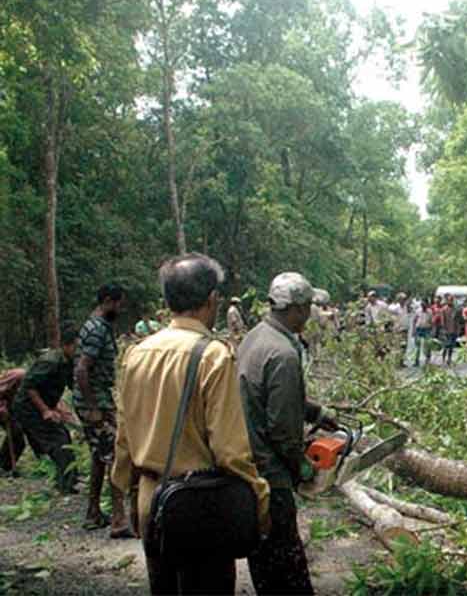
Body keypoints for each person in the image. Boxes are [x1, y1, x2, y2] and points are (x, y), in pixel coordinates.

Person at [112, 253, 271, 595]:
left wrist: (127, 492)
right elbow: (230, 451)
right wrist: (260, 499)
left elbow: (124, 436)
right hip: (202, 509)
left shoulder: (136, 353)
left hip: (152, 501)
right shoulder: (213, 355)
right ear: (212, 299)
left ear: (167, 300)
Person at [238, 272, 338, 595]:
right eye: (308, 306)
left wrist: (316, 413)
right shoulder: (283, 353)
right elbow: (282, 430)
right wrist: (303, 468)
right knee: (287, 567)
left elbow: (270, 397)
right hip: (271, 474)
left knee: (264, 560)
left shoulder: (255, 336)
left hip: (248, 465)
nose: (310, 314)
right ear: (296, 308)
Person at [73, 283, 132, 537]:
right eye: (118, 303)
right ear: (108, 301)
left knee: (99, 456)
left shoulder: (96, 326)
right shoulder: (97, 330)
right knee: (115, 456)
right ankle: (119, 519)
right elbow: (82, 369)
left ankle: (93, 513)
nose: (120, 308)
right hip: (94, 402)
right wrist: (94, 408)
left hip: (94, 399)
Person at [4, 324, 80, 493]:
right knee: (57, 440)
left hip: (45, 404)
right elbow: (30, 386)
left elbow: (72, 387)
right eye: (76, 346)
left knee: (64, 436)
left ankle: (70, 479)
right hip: (28, 407)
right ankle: (66, 485)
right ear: (66, 345)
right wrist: (45, 410)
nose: (79, 350)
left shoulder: (68, 362)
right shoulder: (50, 361)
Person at [441, 296, 463, 366]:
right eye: (449, 300)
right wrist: (444, 330)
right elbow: (442, 321)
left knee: (451, 346)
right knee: (445, 346)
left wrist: (458, 330)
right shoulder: (443, 309)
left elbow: (458, 320)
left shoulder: (456, 309)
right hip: (446, 331)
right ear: (447, 301)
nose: (450, 301)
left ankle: (449, 359)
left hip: (454, 330)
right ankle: (443, 359)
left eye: (451, 300)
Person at [412, 300, 433, 367]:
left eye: (425, 304)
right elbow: (414, 321)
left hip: (427, 329)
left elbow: (431, 321)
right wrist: (413, 330)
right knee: (417, 346)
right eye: (422, 304)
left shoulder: (430, 311)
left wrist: (432, 330)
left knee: (428, 344)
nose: (423, 306)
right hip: (419, 329)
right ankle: (416, 361)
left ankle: (428, 360)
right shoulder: (418, 311)